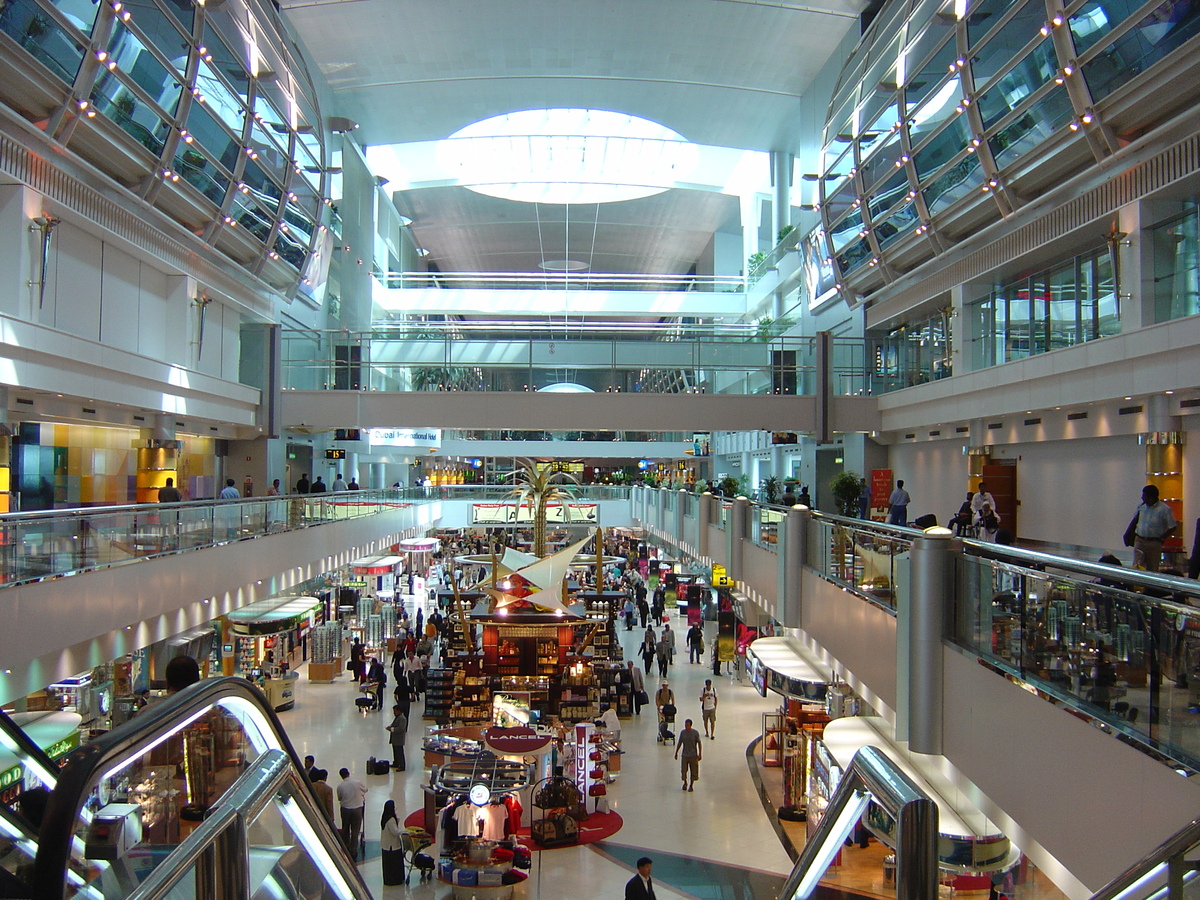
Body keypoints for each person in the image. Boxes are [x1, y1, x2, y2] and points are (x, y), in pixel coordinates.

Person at [1129, 484, 1177, 572]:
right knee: (1137, 565)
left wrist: (1162, 537)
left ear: (1151, 497)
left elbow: (1172, 526)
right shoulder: (1141, 507)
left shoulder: (1164, 509)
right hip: (1140, 540)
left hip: (1154, 542)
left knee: (1152, 567)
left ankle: (1149, 585)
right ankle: (1137, 585)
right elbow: (1135, 520)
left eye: (1144, 496)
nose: (1142, 498)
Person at [336, 768, 367, 856]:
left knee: (345, 829)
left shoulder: (340, 786)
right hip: (357, 809)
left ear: (341, 776)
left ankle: (346, 847)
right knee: (355, 831)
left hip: (345, 809)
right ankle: (353, 850)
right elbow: (365, 789)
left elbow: (339, 798)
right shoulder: (357, 782)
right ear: (348, 773)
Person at [380, 799, 405, 885]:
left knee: (388, 865)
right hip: (392, 846)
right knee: (394, 865)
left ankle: (389, 880)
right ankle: (395, 880)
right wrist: (404, 832)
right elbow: (395, 832)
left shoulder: (385, 817)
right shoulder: (390, 820)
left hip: (386, 845)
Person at [674, 718, 702, 790]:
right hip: (685, 755)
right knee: (683, 771)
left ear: (690, 725)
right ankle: (685, 782)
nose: (686, 727)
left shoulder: (695, 733)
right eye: (685, 725)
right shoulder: (683, 733)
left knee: (694, 771)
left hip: (693, 755)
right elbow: (680, 742)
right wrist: (676, 752)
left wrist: (700, 754)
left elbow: (699, 743)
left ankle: (691, 785)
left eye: (687, 725)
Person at [386, 704, 408, 770]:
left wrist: (392, 729)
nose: (394, 713)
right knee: (395, 752)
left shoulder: (402, 719)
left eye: (395, 711)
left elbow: (401, 728)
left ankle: (401, 766)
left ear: (399, 711)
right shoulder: (397, 717)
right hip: (395, 739)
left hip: (399, 739)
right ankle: (396, 763)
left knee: (399, 753)